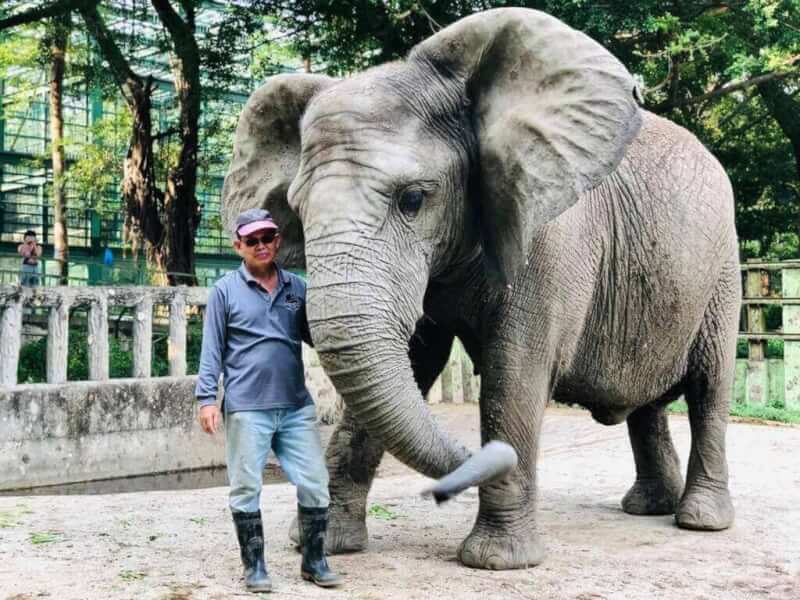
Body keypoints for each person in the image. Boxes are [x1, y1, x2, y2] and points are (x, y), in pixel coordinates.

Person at [195, 208, 342, 593]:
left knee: (315, 482)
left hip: (296, 405)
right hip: (247, 406)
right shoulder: (225, 291)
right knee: (245, 487)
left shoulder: (297, 288)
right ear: (238, 246)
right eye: (252, 240)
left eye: (267, 238)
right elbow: (211, 350)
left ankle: (314, 560)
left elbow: (317, 335)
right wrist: (206, 399)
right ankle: (255, 567)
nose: (261, 246)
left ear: (277, 242)